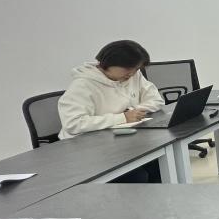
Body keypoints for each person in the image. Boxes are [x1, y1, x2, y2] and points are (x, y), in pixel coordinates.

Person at [58, 39, 165, 182]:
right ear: (108, 64)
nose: (132, 74)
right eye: (128, 69)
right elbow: (73, 123)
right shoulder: (82, 85)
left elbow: (156, 100)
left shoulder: (133, 75)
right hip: (88, 149)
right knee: (136, 176)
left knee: (160, 163)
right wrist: (122, 117)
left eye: (136, 69)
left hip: (123, 141)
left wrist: (134, 111)